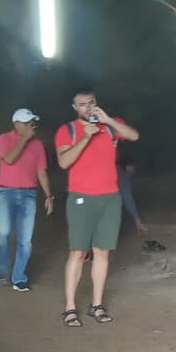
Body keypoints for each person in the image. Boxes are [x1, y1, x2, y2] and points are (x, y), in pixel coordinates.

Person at [54, 88, 139, 327]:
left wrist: (108, 120)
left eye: (91, 103)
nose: (88, 108)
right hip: (81, 197)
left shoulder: (110, 125)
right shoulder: (67, 130)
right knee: (78, 252)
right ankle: (70, 307)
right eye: (82, 104)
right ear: (75, 107)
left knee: (102, 252)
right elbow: (64, 162)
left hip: (110, 197)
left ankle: (97, 305)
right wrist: (85, 137)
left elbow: (134, 136)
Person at [0, 107, 53, 292]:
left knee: (25, 240)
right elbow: (9, 159)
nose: (31, 126)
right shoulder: (3, 139)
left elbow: (41, 172)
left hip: (29, 194)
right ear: (16, 124)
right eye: (27, 123)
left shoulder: (38, 145)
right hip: (6, 192)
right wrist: (24, 139)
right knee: (3, 233)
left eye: (32, 123)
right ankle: (3, 272)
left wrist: (48, 195)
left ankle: (18, 278)